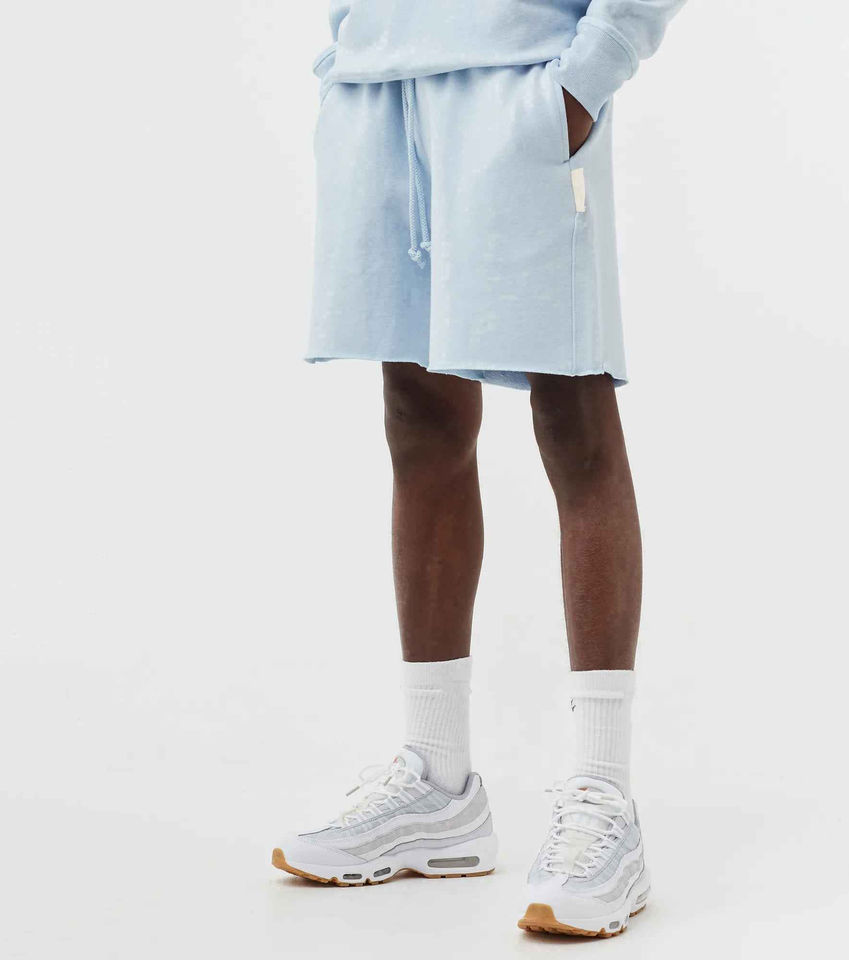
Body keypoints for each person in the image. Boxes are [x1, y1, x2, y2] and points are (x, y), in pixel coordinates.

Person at [272, 0, 686, 939]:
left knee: (573, 411)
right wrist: (347, 45)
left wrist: (596, 64)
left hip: (521, 81)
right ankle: (438, 782)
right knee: (418, 416)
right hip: (378, 88)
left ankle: (604, 796)